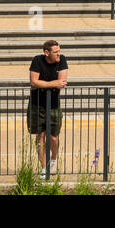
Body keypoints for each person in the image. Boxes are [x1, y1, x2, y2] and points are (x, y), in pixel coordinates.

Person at [28, 40, 68, 176]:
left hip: (54, 105)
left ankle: (54, 157)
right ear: (47, 53)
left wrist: (44, 84)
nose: (58, 54)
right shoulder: (37, 60)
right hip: (37, 103)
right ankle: (44, 169)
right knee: (40, 136)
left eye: (59, 51)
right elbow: (33, 82)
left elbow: (61, 83)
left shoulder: (62, 60)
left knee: (53, 137)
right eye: (55, 52)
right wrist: (53, 83)